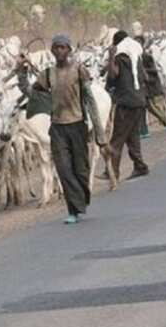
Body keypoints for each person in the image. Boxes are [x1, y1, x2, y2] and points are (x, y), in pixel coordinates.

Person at [17, 34, 107, 225]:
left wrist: (99, 132)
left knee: (80, 169)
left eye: (63, 47)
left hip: (77, 125)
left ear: (69, 50)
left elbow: (89, 100)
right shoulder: (48, 74)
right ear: (52, 51)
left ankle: (81, 199)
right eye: (56, 48)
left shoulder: (79, 71)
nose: (59, 51)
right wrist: (21, 72)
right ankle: (73, 210)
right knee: (64, 169)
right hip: (57, 128)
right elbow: (31, 93)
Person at [103, 30, 150, 181]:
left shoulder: (120, 58)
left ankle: (112, 172)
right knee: (132, 136)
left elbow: (112, 75)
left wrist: (111, 56)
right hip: (139, 101)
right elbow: (146, 77)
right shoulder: (136, 58)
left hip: (126, 103)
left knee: (116, 139)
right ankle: (140, 166)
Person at [135, 35, 166, 138]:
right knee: (140, 110)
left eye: (138, 43)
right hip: (139, 88)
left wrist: (144, 71)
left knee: (153, 108)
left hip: (147, 87)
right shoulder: (134, 57)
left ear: (142, 44)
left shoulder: (146, 56)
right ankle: (144, 131)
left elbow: (154, 70)